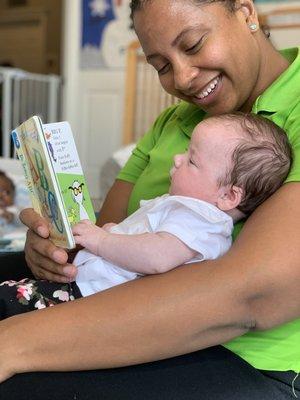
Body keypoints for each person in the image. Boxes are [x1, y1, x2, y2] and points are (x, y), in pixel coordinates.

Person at [0, 0, 299, 399]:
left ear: (246, 12)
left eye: (192, 44)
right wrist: (56, 244)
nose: (184, 78)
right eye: (160, 65)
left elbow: (254, 293)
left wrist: (15, 341)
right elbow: (109, 231)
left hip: (239, 356)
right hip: (107, 294)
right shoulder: (174, 121)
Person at [0, 112, 291, 316]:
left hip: (92, 299)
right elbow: (148, 239)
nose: (178, 159)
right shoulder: (189, 208)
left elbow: (156, 257)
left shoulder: (203, 219)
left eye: (192, 160)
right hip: (85, 286)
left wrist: (102, 240)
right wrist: (115, 231)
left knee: (10, 302)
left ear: (228, 196)